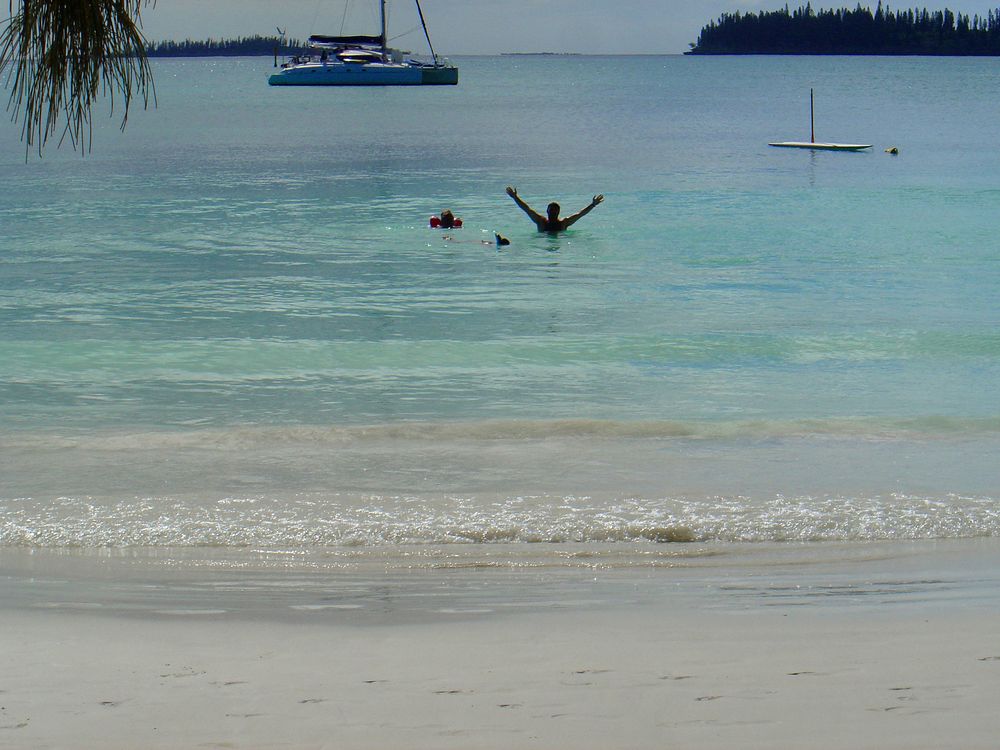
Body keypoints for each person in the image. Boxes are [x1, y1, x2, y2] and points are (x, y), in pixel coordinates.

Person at [506, 186, 603, 233]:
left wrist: (593, 205)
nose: (553, 212)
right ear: (547, 211)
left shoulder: (564, 223)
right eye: (551, 210)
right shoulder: (540, 221)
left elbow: (580, 214)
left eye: (555, 210)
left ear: (558, 212)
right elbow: (526, 209)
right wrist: (515, 197)